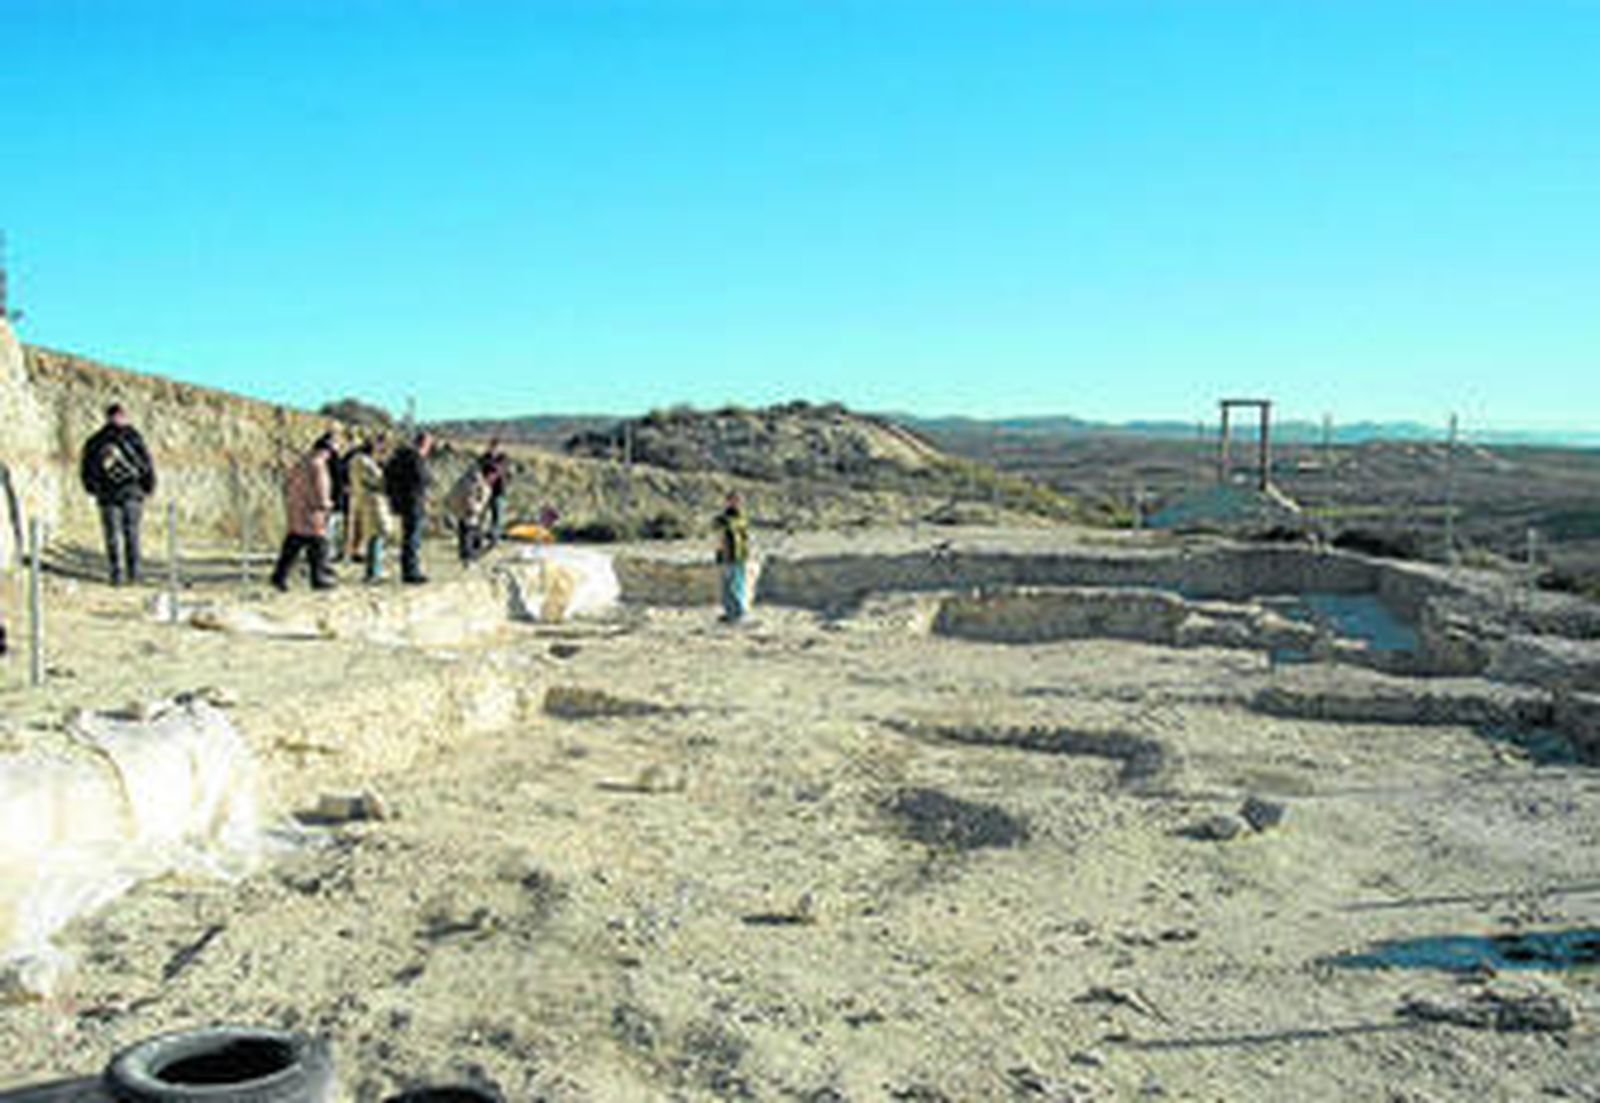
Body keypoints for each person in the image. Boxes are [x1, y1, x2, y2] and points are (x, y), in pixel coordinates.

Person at [78, 403, 156, 585]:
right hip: (127, 492)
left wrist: (91, 487)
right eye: (119, 415)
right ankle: (130, 573)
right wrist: (149, 485)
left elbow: (86, 468)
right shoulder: (133, 437)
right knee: (128, 533)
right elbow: (146, 464)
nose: (119, 419)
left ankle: (120, 573)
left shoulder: (97, 440)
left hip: (112, 494)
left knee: (117, 534)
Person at [270, 433, 338, 592]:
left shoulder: (300, 463)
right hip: (312, 511)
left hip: (296, 509)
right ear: (325, 451)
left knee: (294, 542)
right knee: (319, 544)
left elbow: (287, 485)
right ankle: (318, 578)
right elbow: (321, 490)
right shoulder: (318, 465)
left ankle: (279, 576)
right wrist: (326, 505)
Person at [384, 430, 434, 584]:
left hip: (404, 502)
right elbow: (422, 479)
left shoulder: (401, 457)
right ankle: (411, 572)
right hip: (413, 502)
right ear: (424, 444)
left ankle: (409, 569)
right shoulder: (415, 459)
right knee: (412, 538)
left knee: (409, 537)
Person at [344, 434, 394, 582]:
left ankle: (373, 570)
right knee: (376, 535)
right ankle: (373, 572)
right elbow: (379, 482)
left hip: (362, 500)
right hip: (372, 502)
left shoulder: (354, 461)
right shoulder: (365, 463)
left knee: (374, 535)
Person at [445, 458, 493, 565]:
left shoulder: (475, 481)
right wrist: (474, 508)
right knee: (467, 535)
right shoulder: (473, 482)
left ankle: (471, 556)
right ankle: (467, 558)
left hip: (468, 511)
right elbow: (469, 498)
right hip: (467, 511)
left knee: (473, 535)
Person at [713, 490, 751, 623]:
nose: (737, 503)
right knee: (728, 586)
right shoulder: (723, 519)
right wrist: (719, 554)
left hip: (740, 556)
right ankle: (731, 612)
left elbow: (745, 538)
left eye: (738, 500)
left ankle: (738, 612)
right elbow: (719, 537)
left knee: (738, 584)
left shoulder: (742, 518)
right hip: (727, 556)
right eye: (733, 500)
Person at [479, 437, 511, 546]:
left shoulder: (504, 458)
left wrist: (493, 469)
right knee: (481, 515)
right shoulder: (484, 457)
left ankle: (494, 538)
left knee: (497, 516)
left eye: (496, 447)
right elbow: (481, 468)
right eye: (492, 446)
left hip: (499, 491)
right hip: (484, 490)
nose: (494, 449)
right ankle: (478, 536)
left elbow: (501, 469)